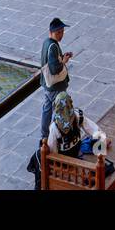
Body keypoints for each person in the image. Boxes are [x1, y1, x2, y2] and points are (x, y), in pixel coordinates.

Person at [48, 92, 114, 175]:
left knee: (100, 140)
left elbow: (93, 130)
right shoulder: (56, 127)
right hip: (65, 161)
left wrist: (102, 138)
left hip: (75, 153)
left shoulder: (75, 117)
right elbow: (53, 152)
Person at [38, 17, 73, 146]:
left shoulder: (46, 42)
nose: (61, 35)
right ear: (51, 32)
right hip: (55, 86)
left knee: (46, 109)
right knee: (57, 110)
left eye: (62, 32)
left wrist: (62, 57)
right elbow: (54, 69)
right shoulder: (53, 46)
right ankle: (53, 139)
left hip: (47, 85)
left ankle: (44, 137)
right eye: (58, 32)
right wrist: (64, 61)